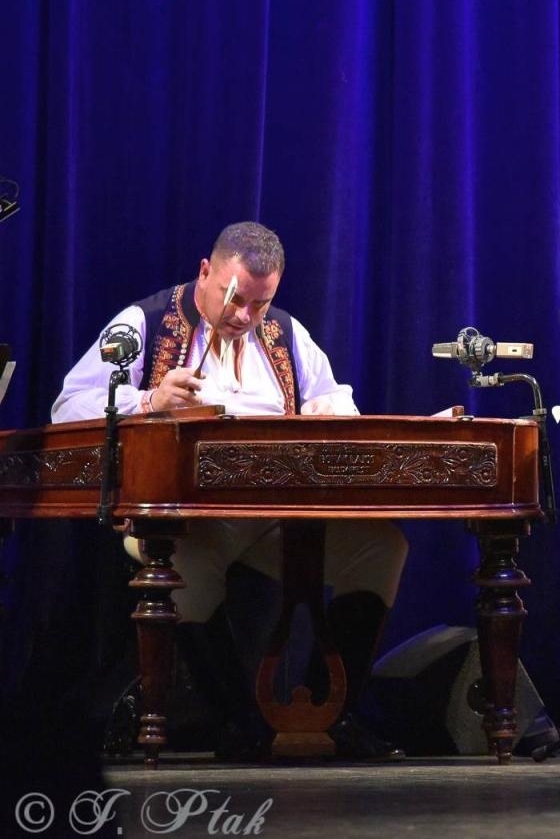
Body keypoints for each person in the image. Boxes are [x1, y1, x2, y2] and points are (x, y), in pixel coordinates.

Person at [53, 221, 409, 761]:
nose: (245, 316)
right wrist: (149, 401)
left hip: (274, 520)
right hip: (186, 523)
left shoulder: (286, 333)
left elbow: (336, 397)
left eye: (260, 304)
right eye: (235, 299)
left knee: (381, 548)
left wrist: (330, 410)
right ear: (205, 272)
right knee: (183, 568)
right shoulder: (145, 322)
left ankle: (332, 714)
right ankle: (241, 722)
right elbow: (68, 408)